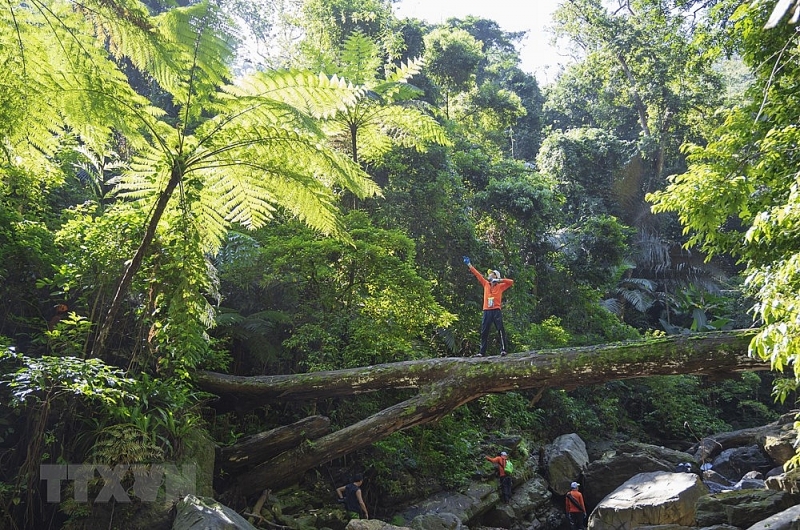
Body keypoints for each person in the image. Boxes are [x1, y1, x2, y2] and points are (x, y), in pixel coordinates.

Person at [463, 256, 514, 356]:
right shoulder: (486, 284)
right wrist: (469, 264)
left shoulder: (500, 286)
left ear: (496, 276)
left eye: (492, 274)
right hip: (487, 310)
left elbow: (511, 282)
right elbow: (477, 275)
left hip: (496, 310)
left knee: (500, 329)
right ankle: (482, 352)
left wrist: (499, 280)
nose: (490, 274)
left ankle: (503, 349)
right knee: (484, 331)